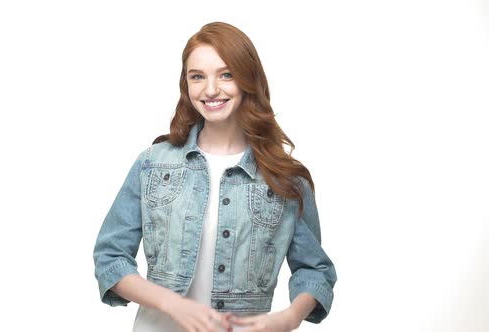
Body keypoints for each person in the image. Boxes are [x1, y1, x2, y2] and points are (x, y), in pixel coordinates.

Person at [93, 21, 337, 332]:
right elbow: (110, 257)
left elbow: (315, 270)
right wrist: (172, 303)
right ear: (186, 85)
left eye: (226, 74)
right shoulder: (153, 164)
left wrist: (287, 319)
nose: (210, 90)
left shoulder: (285, 179)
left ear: (248, 79)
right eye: (197, 77)